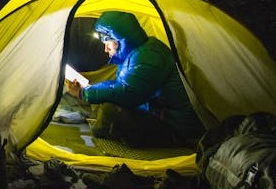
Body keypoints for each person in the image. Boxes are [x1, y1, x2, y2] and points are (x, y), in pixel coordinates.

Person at [64, 10, 204, 148]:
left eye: (108, 43)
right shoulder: (137, 53)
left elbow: (129, 94)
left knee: (111, 110)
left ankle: (174, 141)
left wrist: (85, 93)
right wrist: (89, 89)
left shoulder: (150, 55)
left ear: (120, 40)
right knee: (107, 103)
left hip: (176, 126)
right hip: (161, 114)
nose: (106, 49)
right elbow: (121, 85)